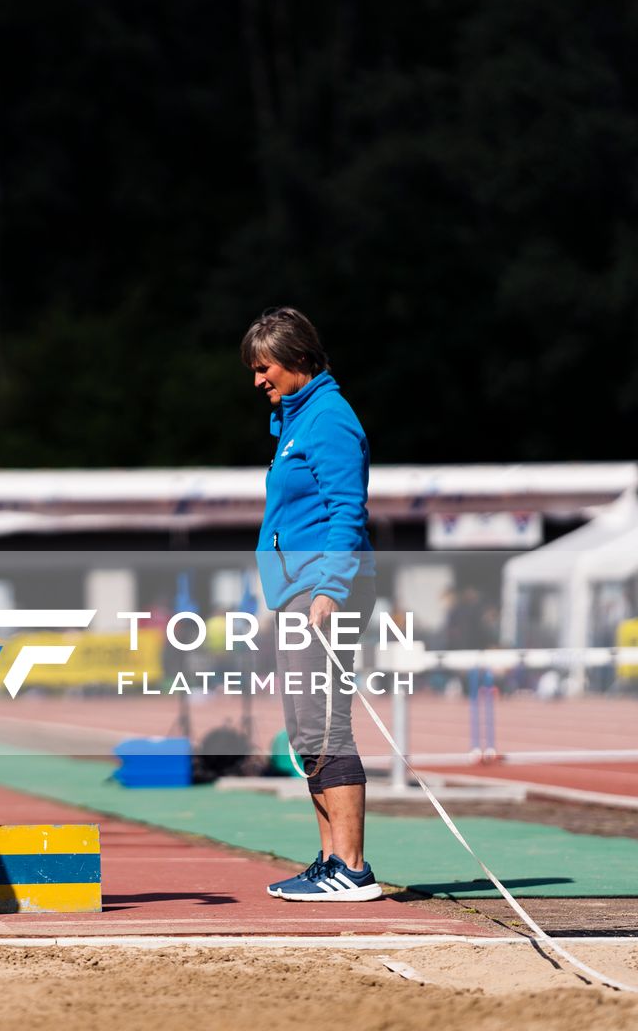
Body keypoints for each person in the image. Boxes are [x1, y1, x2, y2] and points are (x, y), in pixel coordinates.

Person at [243, 306, 383, 904]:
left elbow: (346, 514)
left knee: (327, 724)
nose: (257, 381)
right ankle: (329, 860)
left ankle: (351, 866)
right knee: (304, 729)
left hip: (327, 591)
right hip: (297, 590)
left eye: (264, 368)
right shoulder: (295, 419)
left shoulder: (329, 419)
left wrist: (329, 589)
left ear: (299, 361)